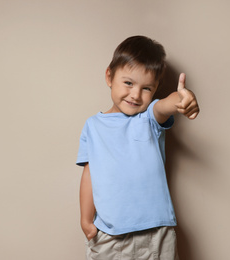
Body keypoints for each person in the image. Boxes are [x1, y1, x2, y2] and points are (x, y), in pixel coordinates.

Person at [76, 35, 199, 260]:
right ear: (109, 76)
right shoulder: (93, 126)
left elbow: (165, 105)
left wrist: (182, 99)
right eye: (129, 83)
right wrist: (86, 219)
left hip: (156, 233)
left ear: (154, 90)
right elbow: (89, 173)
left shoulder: (148, 118)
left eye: (146, 88)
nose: (135, 94)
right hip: (110, 234)